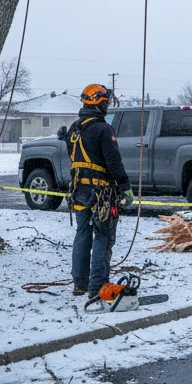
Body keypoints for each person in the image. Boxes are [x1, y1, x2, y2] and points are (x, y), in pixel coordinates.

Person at [66, 83, 135, 299]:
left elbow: (74, 158)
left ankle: (80, 283)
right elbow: (114, 162)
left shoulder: (74, 129)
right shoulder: (103, 130)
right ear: (99, 103)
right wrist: (125, 187)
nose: (107, 106)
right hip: (101, 193)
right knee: (102, 237)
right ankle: (97, 287)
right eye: (105, 102)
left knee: (82, 234)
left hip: (79, 191)